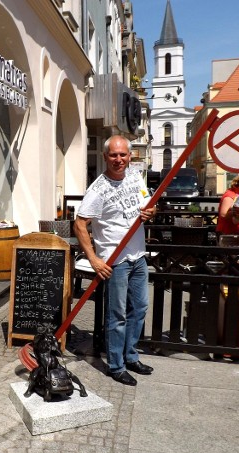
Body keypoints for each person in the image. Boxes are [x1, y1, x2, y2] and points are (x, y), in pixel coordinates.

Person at [73, 135, 156, 386]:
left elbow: (148, 205)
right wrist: (94, 259)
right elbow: (79, 224)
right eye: (113, 155)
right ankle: (116, 365)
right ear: (105, 156)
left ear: (130, 156)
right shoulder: (98, 189)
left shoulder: (134, 176)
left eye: (123, 155)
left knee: (139, 308)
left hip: (138, 255)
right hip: (115, 261)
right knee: (117, 315)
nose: (119, 159)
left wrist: (152, 211)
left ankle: (130, 356)